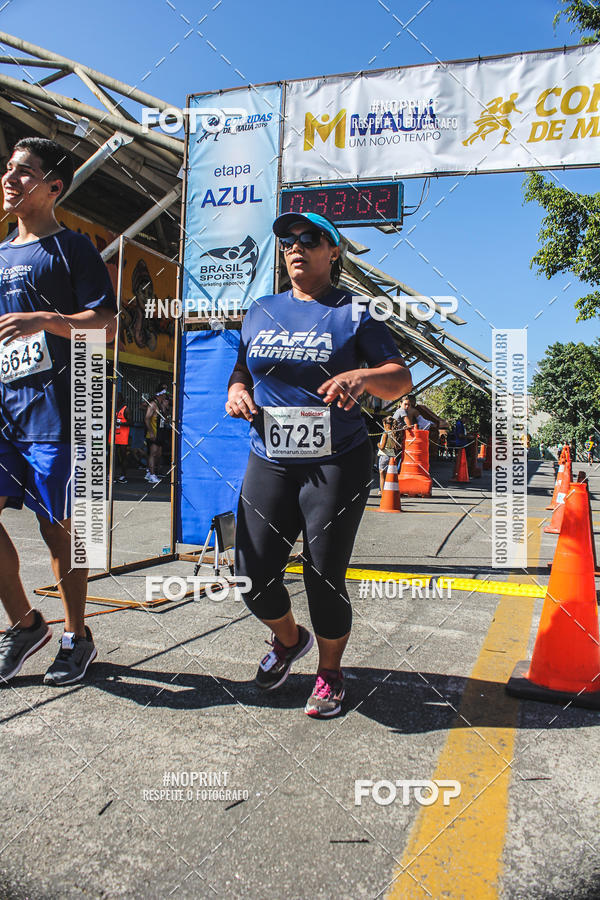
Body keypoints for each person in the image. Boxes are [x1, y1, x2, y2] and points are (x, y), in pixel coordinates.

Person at [227, 211, 411, 718]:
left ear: (334, 253)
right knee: (251, 572)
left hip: (336, 463)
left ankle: (330, 672)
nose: (296, 247)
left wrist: (363, 377)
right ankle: (288, 641)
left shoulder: (357, 311)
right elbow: (242, 367)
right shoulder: (261, 310)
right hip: (271, 457)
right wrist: (238, 389)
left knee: (322, 573)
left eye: (311, 239)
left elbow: (399, 378)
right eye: (288, 240)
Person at [0, 137, 117, 685]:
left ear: (53, 187)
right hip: (4, 410)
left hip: (58, 414)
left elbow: (107, 325)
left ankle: (76, 635)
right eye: (8, 169)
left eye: (24, 172)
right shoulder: (0, 252)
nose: (11, 178)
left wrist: (46, 320)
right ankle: (26, 625)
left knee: (58, 531)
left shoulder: (73, 249)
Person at [144, 385, 170, 484]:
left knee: (158, 454)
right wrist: (150, 431)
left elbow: (164, 418)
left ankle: (149, 472)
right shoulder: (153, 404)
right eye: (165, 394)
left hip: (160, 432)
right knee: (153, 453)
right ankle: (152, 475)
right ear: (160, 394)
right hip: (153, 432)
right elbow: (147, 418)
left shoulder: (161, 404)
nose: (166, 396)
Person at [377, 415, 399, 493]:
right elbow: (397, 447)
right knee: (389, 476)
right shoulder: (394, 433)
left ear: (385, 424)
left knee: (382, 475)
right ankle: (388, 491)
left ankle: (382, 492)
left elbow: (382, 447)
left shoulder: (385, 433)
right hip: (392, 456)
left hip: (384, 455)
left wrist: (378, 444)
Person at [113, 391, 130, 483]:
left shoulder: (126, 409)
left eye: (117, 397)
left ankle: (123, 475)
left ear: (121, 399)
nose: (115, 399)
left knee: (123, 456)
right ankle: (112, 474)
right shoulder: (112, 408)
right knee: (112, 456)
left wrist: (120, 423)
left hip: (123, 435)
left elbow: (131, 422)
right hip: (113, 435)